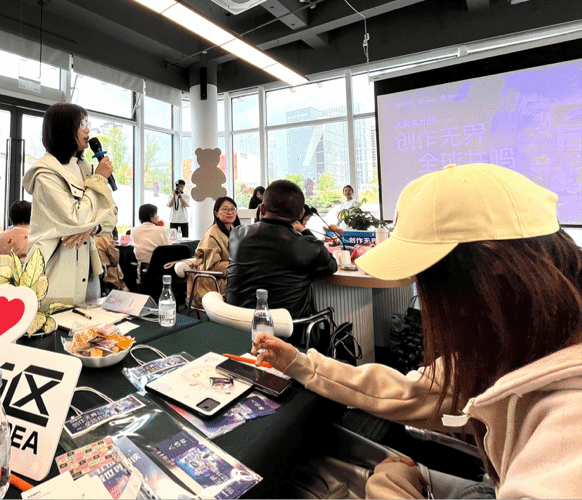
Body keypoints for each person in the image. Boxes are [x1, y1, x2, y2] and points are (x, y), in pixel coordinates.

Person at [252, 164, 582, 499]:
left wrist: (390, 486)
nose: (428, 302)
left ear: (493, 265)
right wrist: (301, 364)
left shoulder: (569, 424)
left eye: (427, 278)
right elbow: (412, 391)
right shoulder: (518, 345)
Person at [22, 103, 116, 308]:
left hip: (88, 269)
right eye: (82, 124)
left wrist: (91, 228)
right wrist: (100, 180)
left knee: (90, 326)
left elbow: (111, 215)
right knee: (59, 325)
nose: (88, 130)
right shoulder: (46, 174)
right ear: (64, 128)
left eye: (87, 123)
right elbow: (76, 219)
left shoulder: (86, 168)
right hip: (56, 271)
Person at [226, 180, 336, 322]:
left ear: (262, 209)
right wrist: (305, 231)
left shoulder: (236, 234)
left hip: (235, 326)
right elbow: (331, 266)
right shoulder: (310, 246)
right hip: (287, 332)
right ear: (301, 214)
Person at [189, 197, 240, 309]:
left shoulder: (233, 231)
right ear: (216, 213)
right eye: (225, 209)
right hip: (214, 281)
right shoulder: (212, 234)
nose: (230, 212)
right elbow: (213, 267)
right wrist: (239, 266)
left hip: (229, 276)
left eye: (233, 209)